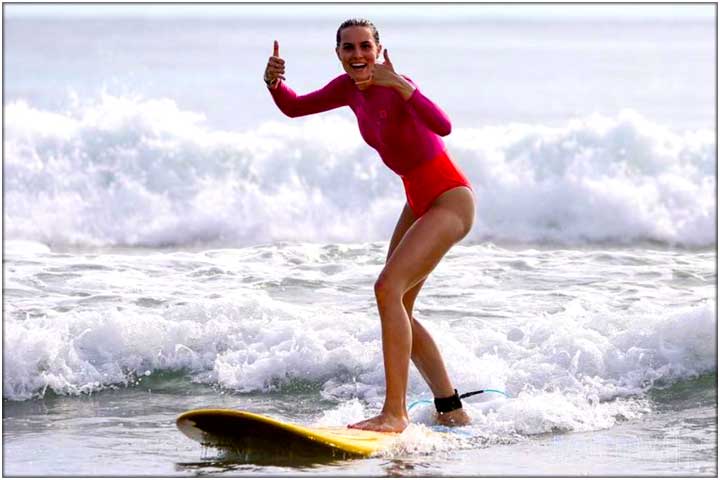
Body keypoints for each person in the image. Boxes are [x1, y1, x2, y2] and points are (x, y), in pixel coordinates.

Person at [263, 18, 474, 433]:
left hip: (449, 197)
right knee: (400, 307)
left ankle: (394, 414)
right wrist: (273, 83)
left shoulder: (396, 84)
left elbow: (443, 126)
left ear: (378, 49)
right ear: (338, 53)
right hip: (416, 200)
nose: (357, 54)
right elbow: (295, 106)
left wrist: (402, 86)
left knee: (386, 289)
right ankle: (450, 406)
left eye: (365, 46)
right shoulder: (345, 89)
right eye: (348, 48)